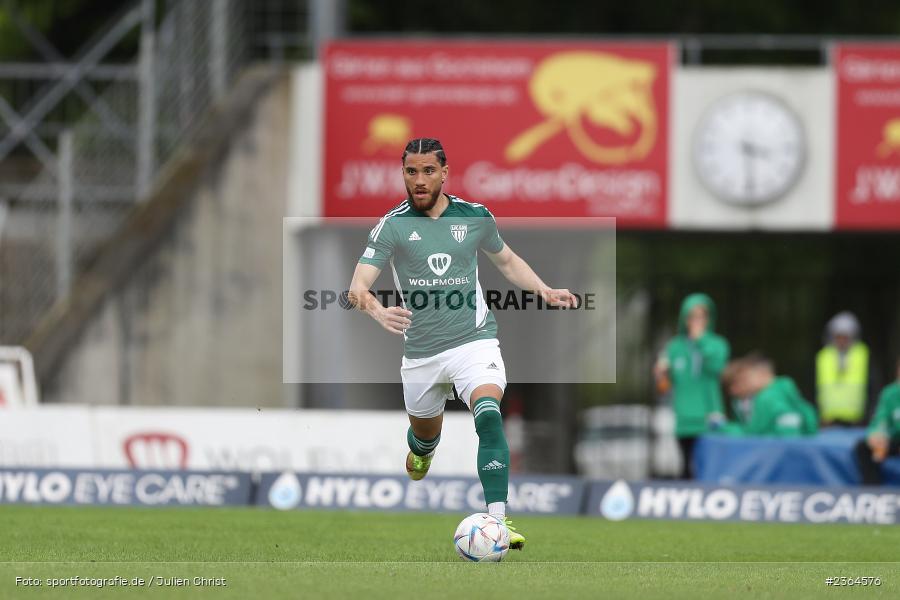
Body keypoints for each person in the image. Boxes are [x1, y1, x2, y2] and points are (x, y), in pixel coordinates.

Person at [347, 138, 578, 550]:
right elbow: (357, 287)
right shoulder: (392, 225)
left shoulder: (474, 217)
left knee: (489, 415)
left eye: (428, 171)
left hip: (474, 342)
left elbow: (506, 260)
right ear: (403, 174)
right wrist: (378, 311)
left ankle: (497, 521)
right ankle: (422, 448)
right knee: (423, 441)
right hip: (421, 355)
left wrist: (541, 289)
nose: (419, 181)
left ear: (444, 173)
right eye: (411, 172)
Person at [653, 293, 729, 478]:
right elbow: (664, 387)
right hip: (684, 417)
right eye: (692, 316)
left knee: (710, 467)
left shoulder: (717, 344)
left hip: (710, 416)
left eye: (701, 316)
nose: (697, 321)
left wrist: (700, 341)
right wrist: (661, 375)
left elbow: (716, 367)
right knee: (687, 467)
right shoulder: (674, 347)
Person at [720, 354, 818, 437]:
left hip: (776, 446)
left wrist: (722, 427)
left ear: (762, 373)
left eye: (745, 378)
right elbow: (808, 415)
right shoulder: (786, 388)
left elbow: (753, 432)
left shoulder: (766, 397)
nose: (745, 383)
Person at [816, 311, 870, 426]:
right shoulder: (823, 356)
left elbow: (872, 387)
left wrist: (869, 415)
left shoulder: (862, 354)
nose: (841, 340)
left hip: (856, 421)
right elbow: (817, 388)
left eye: (845, 337)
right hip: (829, 421)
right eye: (838, 336)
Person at [854, 357, 900, 485]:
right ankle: (873, 491)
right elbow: (880, 418)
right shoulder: (890, 393)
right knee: (863, 447)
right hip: (895, 440)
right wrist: (877, 435)